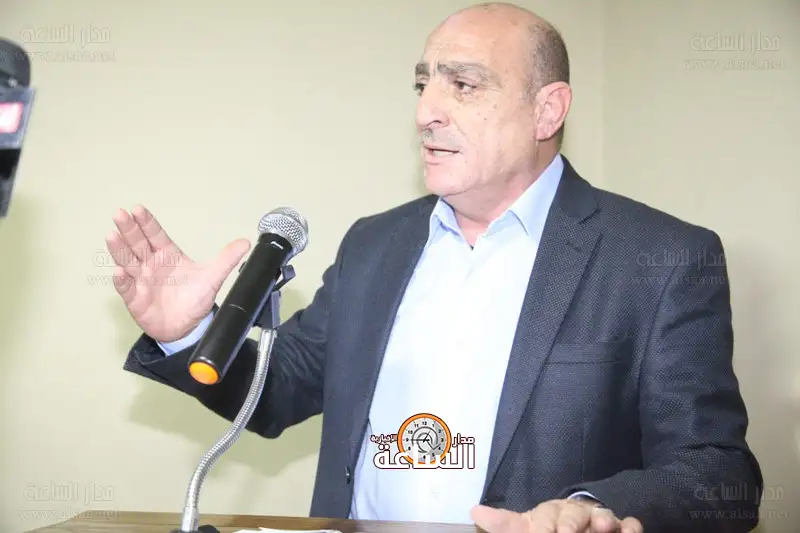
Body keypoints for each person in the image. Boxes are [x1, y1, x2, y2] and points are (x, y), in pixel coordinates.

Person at [108, 3, 763, 533]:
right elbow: (279, 390)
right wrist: (191, 333)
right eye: (423, 84)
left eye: (463, 84)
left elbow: (718, 473)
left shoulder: (658, 258)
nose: (426, 112)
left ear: (548, 109)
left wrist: (593, 507)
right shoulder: (374, 244)